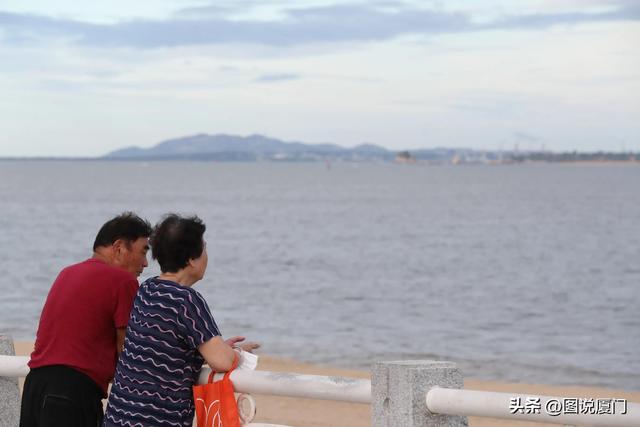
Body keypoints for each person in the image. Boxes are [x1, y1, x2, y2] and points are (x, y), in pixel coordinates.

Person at [103, 214, 259, 427]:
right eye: (204, 248)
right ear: (191, 259)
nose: (206, 255)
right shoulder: (187, 300)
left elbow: (163, 346)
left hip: (118, 417)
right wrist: (238, 355)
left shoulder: (147, 289)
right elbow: (223, 361)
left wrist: (211, 348)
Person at [20, 212, 152, 427]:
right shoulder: (123, 280)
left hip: (35, 386)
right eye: (143, 252)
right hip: (73, 390)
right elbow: (127, 349)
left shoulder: (67, 273)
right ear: (119, 247)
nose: (145, 263)